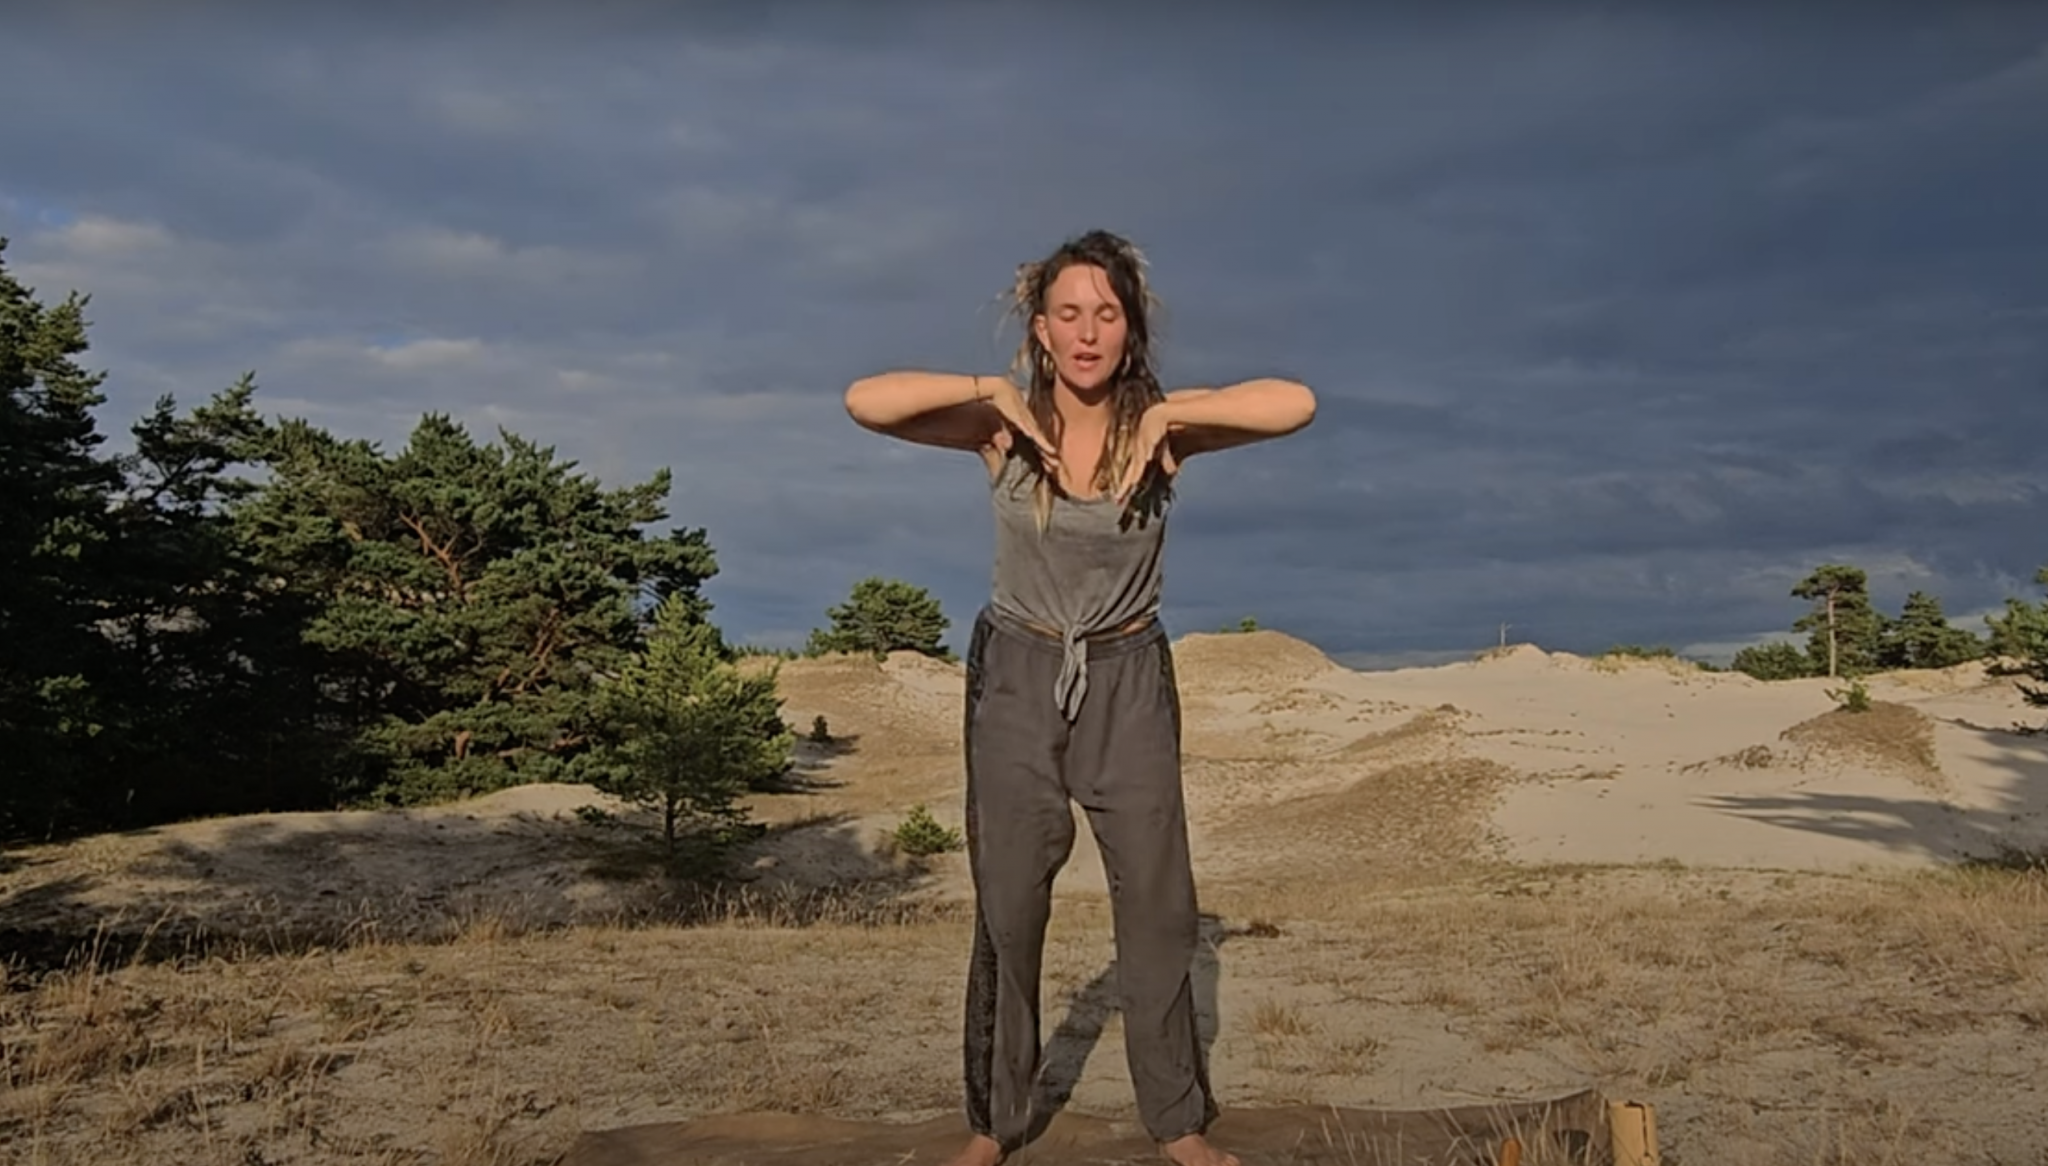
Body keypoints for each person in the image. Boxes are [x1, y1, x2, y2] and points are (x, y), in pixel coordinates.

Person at [842, 229, 1316, 1166]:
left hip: (1128, 674)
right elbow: (865, 402)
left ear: (1130, 326)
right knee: (1011, 903)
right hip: (1018, 672)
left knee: (1160, 906)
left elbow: (1296, 403)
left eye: (1107, 313)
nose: (1088, 332)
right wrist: (990, 391)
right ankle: (994, 1125)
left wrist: (1172, 415)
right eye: (1069, 314)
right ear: (1042, 329)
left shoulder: (1162, 433)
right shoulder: (1002, 429)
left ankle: (1178, 1123)